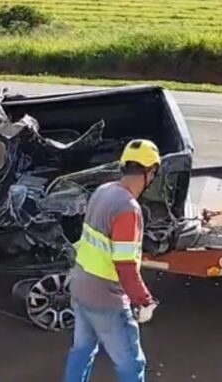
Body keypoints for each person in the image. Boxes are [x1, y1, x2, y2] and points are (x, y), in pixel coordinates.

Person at [63, 139, 162, 382]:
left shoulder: (103, 191)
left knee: (82, 350)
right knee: (131, 364)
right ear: (151, 172)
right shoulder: (128, 209)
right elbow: (125, 266)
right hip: (106, 299)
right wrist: (144, 300)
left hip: (80, 286)